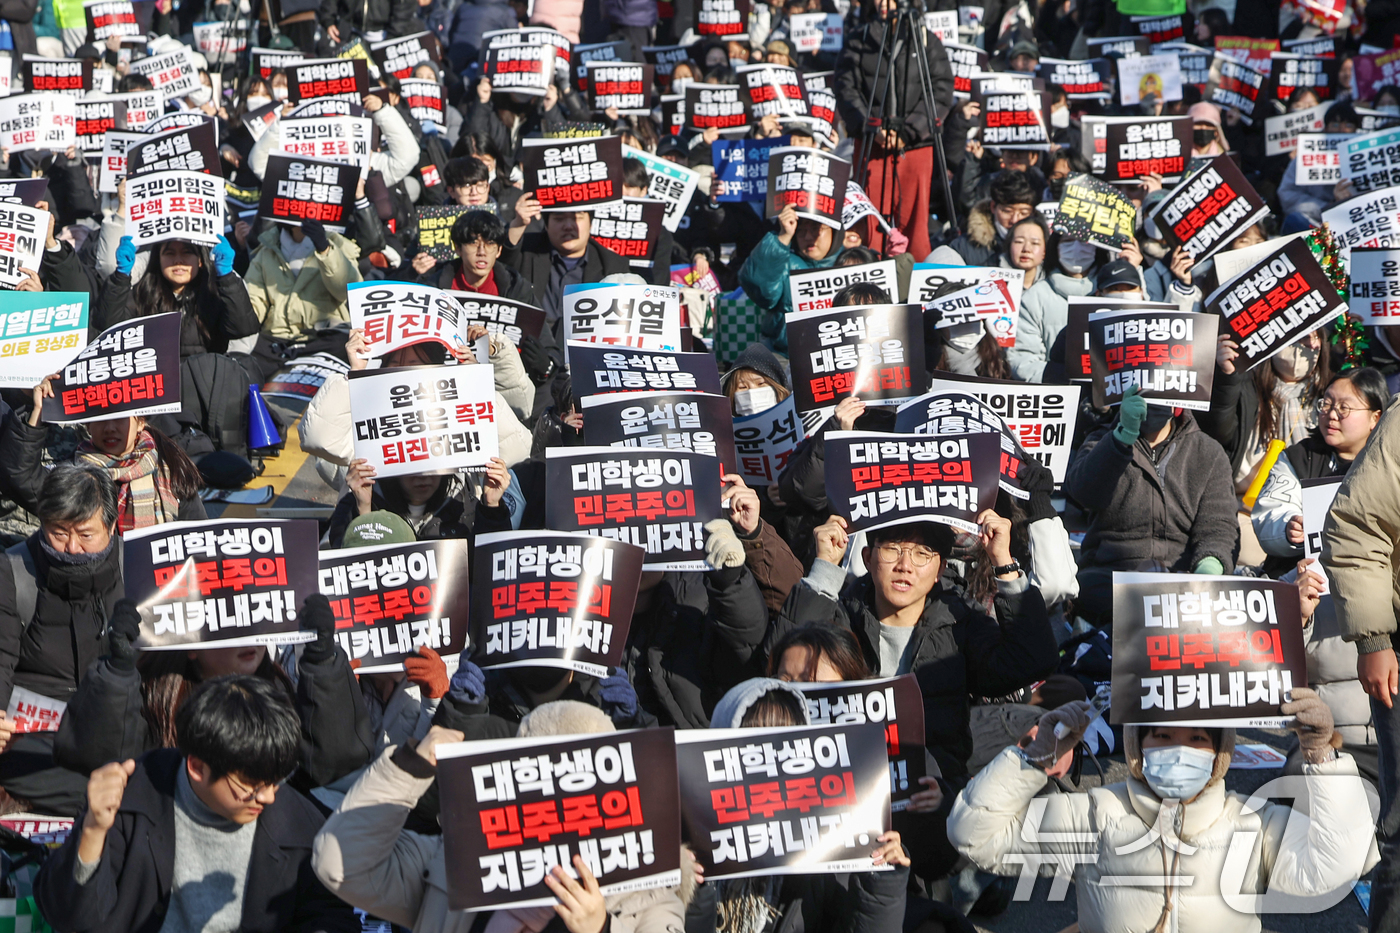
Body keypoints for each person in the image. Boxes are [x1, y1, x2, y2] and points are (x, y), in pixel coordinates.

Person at [948, 699, 1377, 933]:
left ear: (1220, 754)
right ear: (1137, 746)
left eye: (1197, 738)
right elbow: (975, 837)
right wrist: (1032, 758)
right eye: (1162, 735)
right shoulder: (1097, 813)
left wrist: (1323, 757)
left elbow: (1336, 866)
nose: (1179, 748)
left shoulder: (1250, 822)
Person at [312, 703, 687, 932]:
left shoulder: (647, 894)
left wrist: (601, 928)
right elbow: (339, 864)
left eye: (577, 783)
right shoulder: (453, 860)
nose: (558, 804)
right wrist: (411, 768)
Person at [35, 675, 360, 933]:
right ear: (197, 767)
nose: (268, 797)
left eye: (277, 779)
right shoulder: (128, 799)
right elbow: (69, 916)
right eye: (251, 785)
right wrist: (93, 831)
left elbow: (332, 916)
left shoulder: (303, 825)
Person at [764, 513, 1058, 792]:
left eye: (922, 554)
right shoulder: (841, 618)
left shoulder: (959, 623)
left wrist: (1003, 563)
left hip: (935, 793)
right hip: (847, 787)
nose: (904, 565)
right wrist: (825, 567)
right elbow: (775, 669)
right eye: (892, 549)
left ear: (940, 569)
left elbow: (1031, 661)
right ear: (867, 558)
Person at [684, 677, 911, 933]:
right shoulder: (688, 847)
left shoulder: (830, 851)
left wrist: (883, 884)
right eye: (754, 745)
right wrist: (694, 888)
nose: (770, 760)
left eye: (783, 743)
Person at [0, 465, 124, 815]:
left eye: (86, 535)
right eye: (58, 533)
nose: (71, 548)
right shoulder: (12, 572)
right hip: (36, 738)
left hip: (119, 728)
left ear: (111, 527)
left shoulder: (138, 568)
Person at [1066, 386, 1239, 620]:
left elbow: (1219, 527)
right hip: (1111, 577)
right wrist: (1121, 438)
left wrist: (1206, 573)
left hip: (1183, 579)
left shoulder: (1208, 451)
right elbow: (1084, 494)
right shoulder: (1100, 440)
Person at [834, 0, 955, 259]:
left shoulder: (926, 40)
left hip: (915, 145)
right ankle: (871, 272)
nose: (883, 2)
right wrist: (873, 128)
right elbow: (846, 88)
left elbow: (941, 91)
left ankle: (915, 279)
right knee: (871, 219)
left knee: (915, 220)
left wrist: (908, 132)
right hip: (871, 142)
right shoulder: (860, 38)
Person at [0, 387, 206, 531]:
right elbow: (22, 478)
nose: (109, 428)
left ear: (141, 421)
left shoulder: (169, 469)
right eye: (100, 418)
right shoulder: (73, 476)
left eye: (119, 418)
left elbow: (199, 540)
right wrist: (38, 412)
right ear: (87, 425)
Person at [98, 236, 259, 359]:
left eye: (187, 252)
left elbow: (243, 328)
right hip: (158, 386)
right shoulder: (141, 294)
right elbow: (107, 327)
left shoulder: (215, 293)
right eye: (169, 253)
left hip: (208, 386)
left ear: (200, 261)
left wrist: (227, 278)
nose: (178, 260)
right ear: (158, 260)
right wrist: (120, 277)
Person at [738, 204, 844, 352]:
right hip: (786, 356)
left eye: (815, 229)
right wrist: (783, 237)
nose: (808, 237)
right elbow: (760, 290)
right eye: (801, 230)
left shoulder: (851, 262)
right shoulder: (784, 262)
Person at [944, 170, 1038, 267]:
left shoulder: (1047, 246)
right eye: (1007, 211)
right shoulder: (964, 246)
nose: (1014, 220)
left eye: (1023, 213)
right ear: (993, 207)